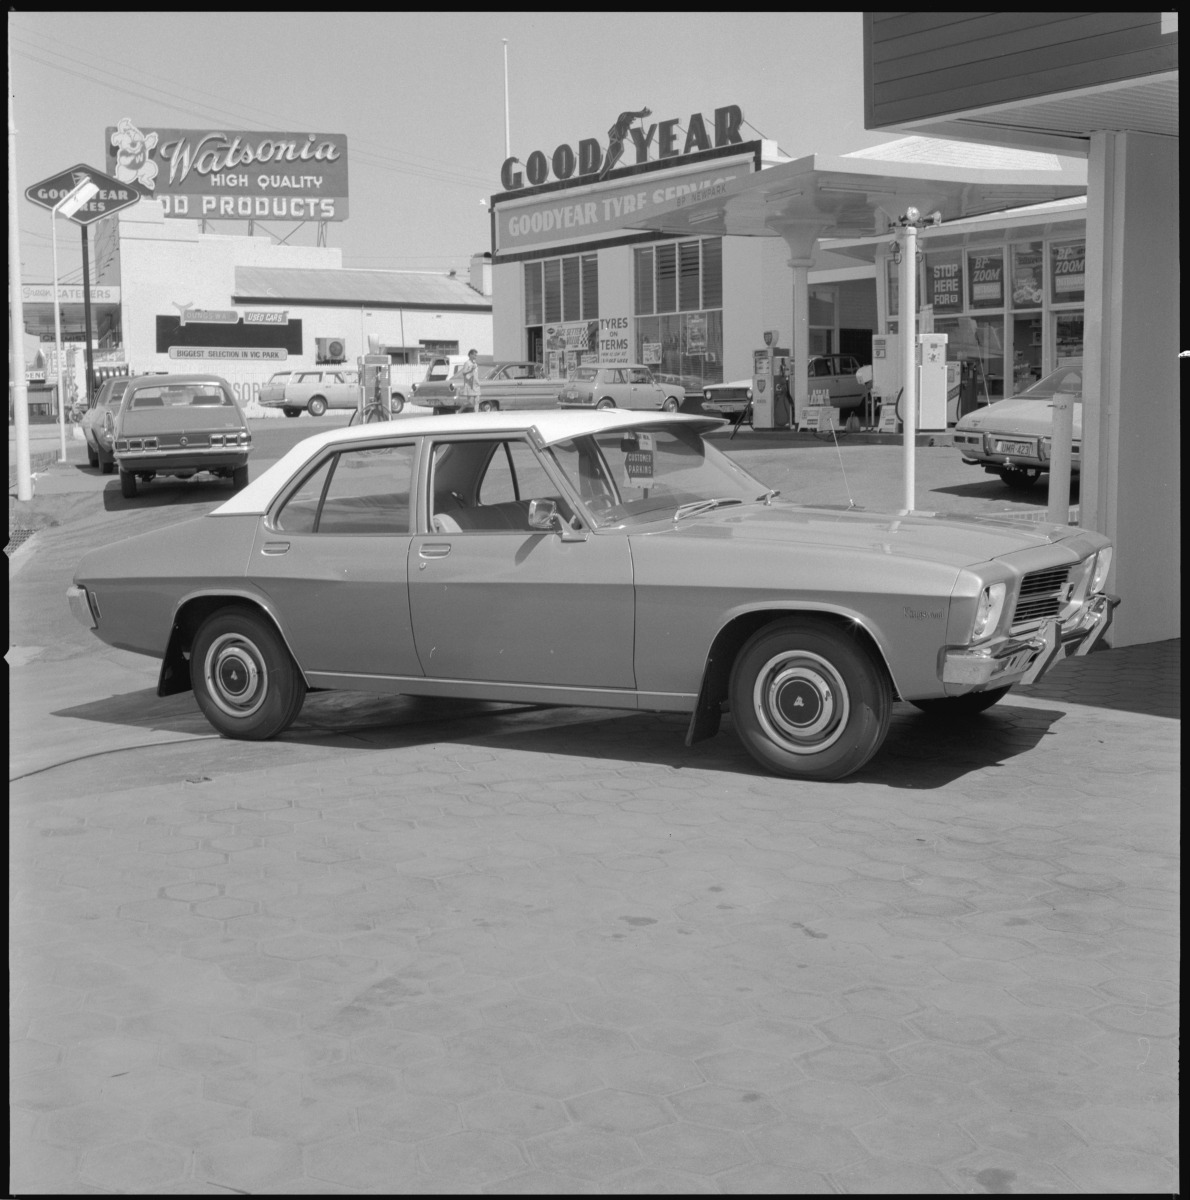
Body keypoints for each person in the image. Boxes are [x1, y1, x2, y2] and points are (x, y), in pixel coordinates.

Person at [597, 107, 652, 180]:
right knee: (609, 162)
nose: (627, 133)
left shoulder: (619, 142)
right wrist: (640, 114)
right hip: (615, 144)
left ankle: (602, 175)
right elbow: (625, 115)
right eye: (628, 123)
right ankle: (602, 175)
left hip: (616, 142)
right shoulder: (616, 143)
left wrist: (640, 114)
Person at [459, 348, 480, 413]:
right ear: (470, 355)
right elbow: (464, 372)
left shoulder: (475, 363)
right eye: (474, 355)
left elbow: (475, 373)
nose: (475, 356)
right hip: (469, 384)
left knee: (477, 400)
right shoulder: (467, 363)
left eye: (476, 355)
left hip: (476, 384)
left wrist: (477, 381)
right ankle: (459, 410)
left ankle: (476, 413)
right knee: (470, 402)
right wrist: (470, 370)